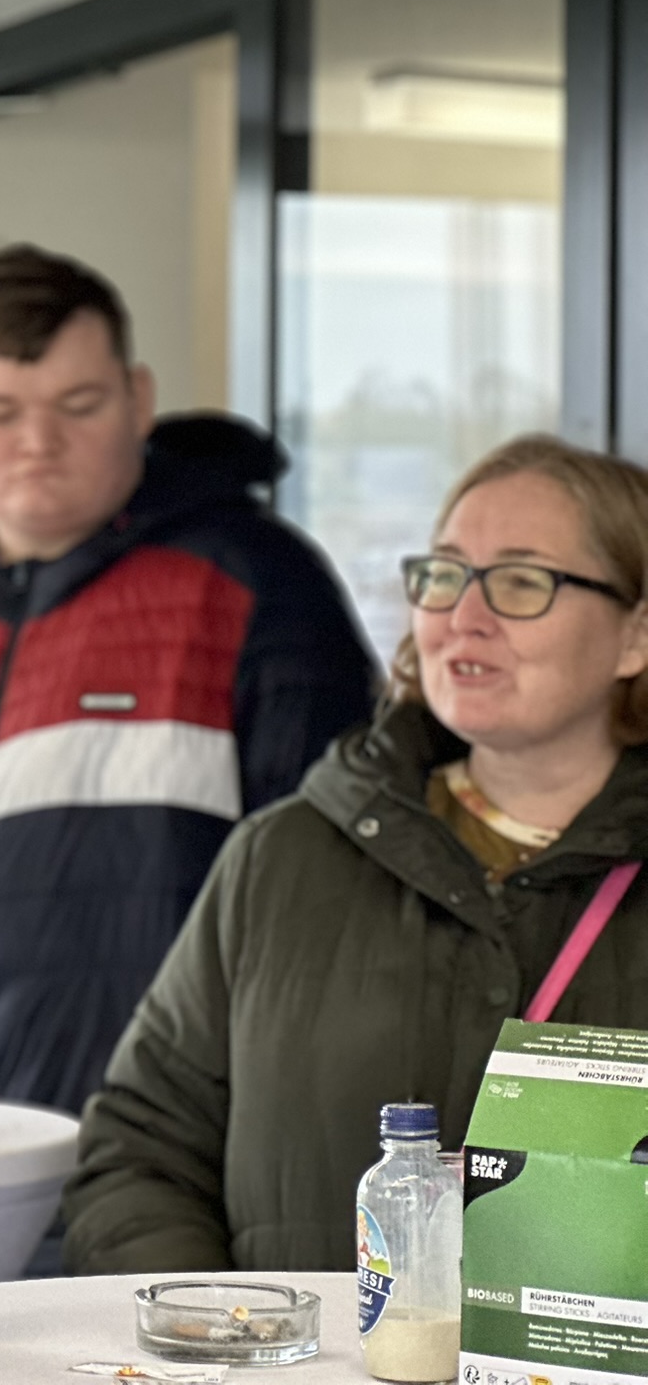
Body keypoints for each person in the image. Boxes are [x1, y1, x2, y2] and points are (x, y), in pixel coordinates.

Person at [0, 244, 376, 1114]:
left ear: (138, 400)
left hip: (150, 1144)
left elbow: (325, 899)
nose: (38, 443)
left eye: (79, 405)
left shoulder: (257, 587)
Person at [63, 433, 648, 1272]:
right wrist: (223, 1328)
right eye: (445, 576)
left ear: (635, 636)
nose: (464, 616)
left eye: (522, 582)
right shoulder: (279, 858)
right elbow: (138, 1150)